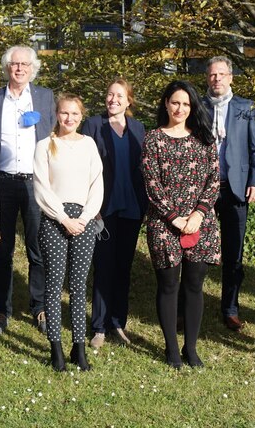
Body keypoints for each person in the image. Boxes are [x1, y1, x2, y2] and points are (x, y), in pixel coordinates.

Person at [0, 45, 56, 337]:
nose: (19, 68)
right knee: (3, 249)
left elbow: (53, 138)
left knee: (38, 249)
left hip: (36, 181)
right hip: (2, 182)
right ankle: (1, 310)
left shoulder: (45, 97)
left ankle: (40, 307)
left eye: (25, 64)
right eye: (14, 64)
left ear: (32, 68)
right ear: (7, 67)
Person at [142, 80, 221, 369]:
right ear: (166, 103)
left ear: (193, 107)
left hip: (201, 223)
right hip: (165, 224)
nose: (180, 108)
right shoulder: (154, 139)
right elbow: (151, 183)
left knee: (194, 286)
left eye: (186, 104)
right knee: (168, 286)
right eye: (175, 102)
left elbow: (214, 181)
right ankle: (171, 348)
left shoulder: (204, 139)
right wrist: (174, 217)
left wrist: (198, 214)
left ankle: (191, 347)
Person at [34, 93, 104, 371]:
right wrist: (63, 218)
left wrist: (84, 218)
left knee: (77, 286)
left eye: (74, 114)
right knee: (53, 285)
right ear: (57, 114)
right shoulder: (45, 146)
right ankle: (56, 347)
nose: (69, 118)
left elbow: (97, 183)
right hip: (55, 219)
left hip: (84, 220)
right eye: (64, 113)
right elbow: (41, 187)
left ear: (81, 115)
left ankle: (79, 346)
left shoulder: (88, 145)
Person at [83, 78, 147, 348]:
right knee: (104, 267)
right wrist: (91, 206)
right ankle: (98, 326)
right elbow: (84, 166)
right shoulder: (93, 125)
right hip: (103, 210)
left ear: (129, 100)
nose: (113, 100)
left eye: (119, 95)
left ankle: (118, 323)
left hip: (132, 207)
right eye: (110, 95)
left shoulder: (139, 129)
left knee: (124, 267)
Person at [202, 56, 255, 331]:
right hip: (202, 188)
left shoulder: (245, 107)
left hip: (235, 187)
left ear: (230, 77)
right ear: (207, 78)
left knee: (233, 253)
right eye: (213, 74)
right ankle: (188, 305)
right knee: (194, 249)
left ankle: (230, 307)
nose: (217, 79)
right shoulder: (197, 106)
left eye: (222, 74)